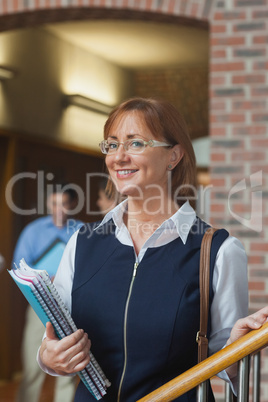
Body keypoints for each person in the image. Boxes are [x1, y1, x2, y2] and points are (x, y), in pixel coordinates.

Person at [37, 97, 257, 401]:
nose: (119, 157)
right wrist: (49, 359)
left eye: (136, 143)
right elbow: (56, 342)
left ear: (174, 156)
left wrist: (239, 345)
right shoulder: (82, 243)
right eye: (112, 145)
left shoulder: (217, 251)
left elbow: (226, 365)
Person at [13, 183, 83, 402]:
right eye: (54, 203)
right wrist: (45, 279)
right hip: (39, 304)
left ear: (72, 204)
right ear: (48, 204)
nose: (59, 208)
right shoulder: (33, 231)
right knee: (32, 368)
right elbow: (18, 267)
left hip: (71, 305)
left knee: (68, 369)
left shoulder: (81, 230)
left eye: (64, 203)